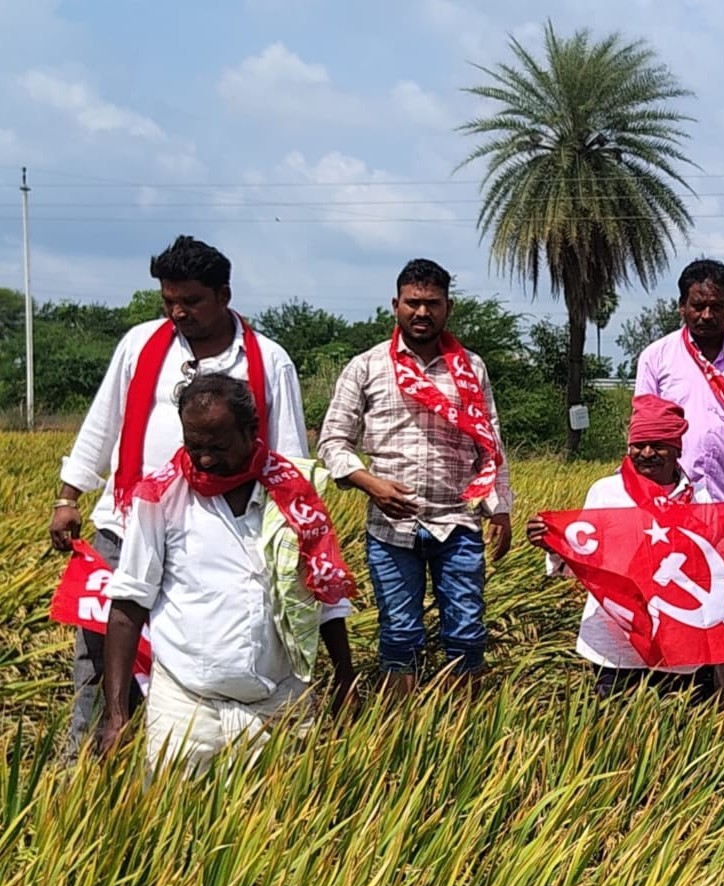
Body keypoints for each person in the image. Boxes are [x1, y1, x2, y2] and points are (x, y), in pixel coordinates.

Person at [49, 235, 307, 754]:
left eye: (191, 301)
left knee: (213, 649)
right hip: (128, 525)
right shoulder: (141, 345)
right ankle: (91, 763)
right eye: (169, 301)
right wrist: (68, 496)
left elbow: (289, 457)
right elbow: (104, 423)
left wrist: (298, 536)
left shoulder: (267, 360)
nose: (178, 312)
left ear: (224, 294)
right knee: (100, 651)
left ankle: (203, 755)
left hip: (223, 535)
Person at [100, 374, 355, 777]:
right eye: (194, 445)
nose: (203, 459)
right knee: (173, 826)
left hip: (279, 702)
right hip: (186, 707)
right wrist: (116, 714)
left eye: (218, 446)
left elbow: (323, 595)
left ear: (252, 432)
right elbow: (129, 602)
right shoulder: (161, 497)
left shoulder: (294, 492)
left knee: (282, 826)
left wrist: (344, 681)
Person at [318, 258, 511, 691]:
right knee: (400, 635)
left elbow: (490, 444)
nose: (422, 313)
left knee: (466, 634)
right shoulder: (366, 367)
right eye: (413, 303)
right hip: (391, 528)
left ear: (448, 308)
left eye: (432, 304)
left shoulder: (470, 368)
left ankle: (466, 733)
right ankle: (401, 736)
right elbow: (332, 443)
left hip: (457, 523)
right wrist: (370, 484)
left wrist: (500, 510)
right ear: (395, 305)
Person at [525, 395, 724, 697]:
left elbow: (718, 568)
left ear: (677, 449)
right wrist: (553, 543)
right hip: (614, 647)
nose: (647, 453)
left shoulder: (702, 500)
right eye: (639, 444)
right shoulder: (606, 493)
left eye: (658, 444)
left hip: (679, 646)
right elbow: (583, 563)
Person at [633, 259, 724, 503]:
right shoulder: (656, 357)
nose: (707, 315)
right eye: (698, 306)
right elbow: (644, 434)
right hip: (673, 504)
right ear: (682, 306)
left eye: (717, 306)